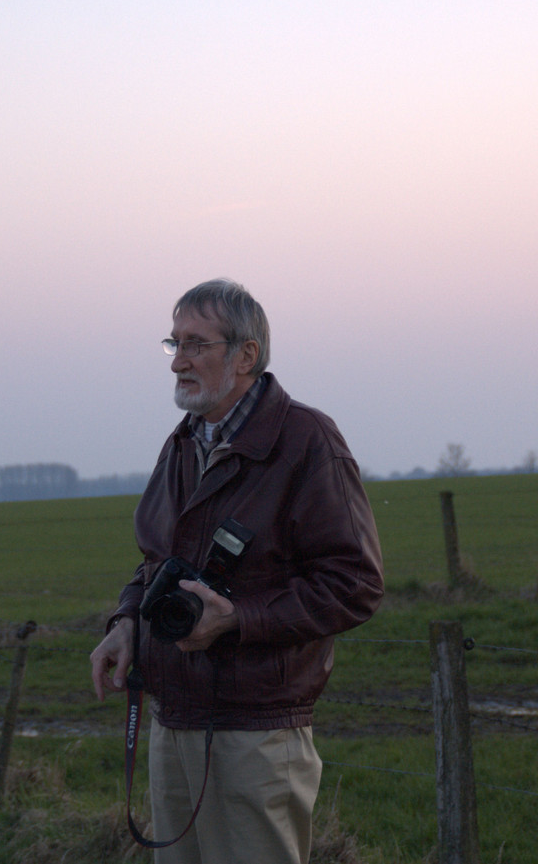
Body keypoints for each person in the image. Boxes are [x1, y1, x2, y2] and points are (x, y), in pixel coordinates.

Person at [90, 279, 384, 864]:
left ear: (246, 355)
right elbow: (155, 561)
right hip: (172, 721)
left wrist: (237, 619)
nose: (178, 362)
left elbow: (355, 584)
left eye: (196, 344)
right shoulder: (181, 444)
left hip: (257, 731)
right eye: (173, 343)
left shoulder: (305, 440)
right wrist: (127, 621)